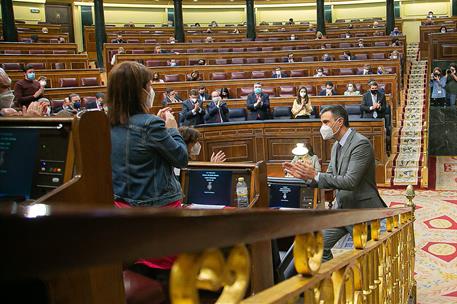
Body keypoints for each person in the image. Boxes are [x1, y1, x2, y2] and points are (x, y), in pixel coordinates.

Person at [109, 61, 187, 297]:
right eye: (149, 84)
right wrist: (172, 128)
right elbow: (181, 158)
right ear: (140, 90)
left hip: (123, 211)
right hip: (158, 213)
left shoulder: (108, 122)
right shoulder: (151, 125)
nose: (152, 89)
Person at [283, 105, 386, 262]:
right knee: (317, 246)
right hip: (342, 209)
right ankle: (335, 279)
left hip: (361, 211)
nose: (322, 127)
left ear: (339, 122)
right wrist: (307, 177)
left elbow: (350, 181)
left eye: (326, 122)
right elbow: (331, 177)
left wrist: (316, 175)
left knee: (368, 259)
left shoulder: (360, 144)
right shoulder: (336, 146)